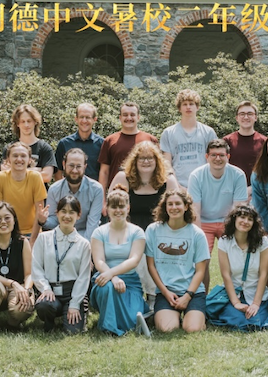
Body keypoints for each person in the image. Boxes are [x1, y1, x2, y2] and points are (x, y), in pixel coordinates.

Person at [109, 141, 179, 310]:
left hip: (160, 234)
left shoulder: (168, 180)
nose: (146, 161)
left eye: (150, 158)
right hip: (128, 232)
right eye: (141, 158)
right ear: (134, 160)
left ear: (157, 160)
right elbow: (112, 207)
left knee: (152, 251)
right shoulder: (123, 178)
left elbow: (178, 209)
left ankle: (155, 297)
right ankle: (133, 297)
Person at [210, 206, 268, 331]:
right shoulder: (225, 241)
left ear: (254, 223)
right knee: (238, 321)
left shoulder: (262, 241)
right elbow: (226, 275)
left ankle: (265, 313)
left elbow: (263, 274)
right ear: (234, 219)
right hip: (234, 294)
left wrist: (256, 304)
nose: (245, 222)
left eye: (250, 219)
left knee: (255, 320)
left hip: (255, 293)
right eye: (242, 217)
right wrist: (236, 303)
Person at [145, 190, 210, 333]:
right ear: (165, 207)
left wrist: (187, 296)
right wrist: (165, 292)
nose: (174, 207)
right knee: (167, 328)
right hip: (167, 291)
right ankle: (174, 316)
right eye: (170, 204)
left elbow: (200, 270)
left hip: (192, 292)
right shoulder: (153, 230)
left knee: (192, 329)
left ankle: (196, 318)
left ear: (186, 206)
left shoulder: (197, 234)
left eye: (178, 204)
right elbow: (151, 266)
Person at [90, 189, 150, 336]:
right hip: (104, 278)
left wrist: (112, 272)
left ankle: (129, 316)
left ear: (128, 208)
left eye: (121, 206)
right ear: (107, 209)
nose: (118, 210)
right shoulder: (99, 232)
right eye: (114, 207)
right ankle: (108, 328)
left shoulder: (137, 232)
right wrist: (112, 277)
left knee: (130, 322)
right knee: (107, 287)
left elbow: (134, 260)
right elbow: (98, 261)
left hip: (130, 281)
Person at [33, 196, 93, 333]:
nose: (67, 216)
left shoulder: (84, 244)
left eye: (72, 212)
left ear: (78, 215)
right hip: (50, 290)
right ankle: (49, 322)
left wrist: (74, 304)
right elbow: (36, 267)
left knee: (73, 331)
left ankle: (77, 311)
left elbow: (83, 277)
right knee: (44, 305)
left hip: (72, 292)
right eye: (63, 211)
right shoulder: (43, 238)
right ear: (57, 213)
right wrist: (45, 288)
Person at [0, 203, 35, 333]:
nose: (3, 222)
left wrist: (26, 290)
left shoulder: (22, 242)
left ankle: (12, 323)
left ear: (14, 220)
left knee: (22, 310)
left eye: (7, 218)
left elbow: (29, 273)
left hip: (18, 289)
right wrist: (13, 283)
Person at [189, 139, 248, 253]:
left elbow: (238, 209)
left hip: (228, 222)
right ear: (207, 156)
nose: (217, 159)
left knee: (234, 256)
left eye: (221, 155)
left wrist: (233, 232)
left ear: (228, 157)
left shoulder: (238, 175)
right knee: (201, 257)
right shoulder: (196, 176)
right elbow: (195, 211)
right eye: (213, 155)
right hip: (204, 222)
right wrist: (199, 237)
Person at [0, 142, 47, 244]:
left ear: (30, 160)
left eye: (23, 156)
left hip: (32, 232)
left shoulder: (36, 177)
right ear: (8, 159)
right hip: (7, 230)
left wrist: (32, 241)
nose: (19, 159)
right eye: (15, 156)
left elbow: (40, 212)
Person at [160, 89, 218, 188]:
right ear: (179, 108)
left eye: (191, 104)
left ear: (197, 107)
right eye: (184, 104)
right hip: (177, 187)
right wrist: (177, 186)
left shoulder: (208, 132)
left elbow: (214, 161)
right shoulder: (168, 133)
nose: (188, 107)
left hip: (204, 185)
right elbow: (166, 165)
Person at [41, 148, 103, 240]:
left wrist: (81, 247)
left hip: (85, 238)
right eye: (71, 165)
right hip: (61, 237)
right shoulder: (54, 189)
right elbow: (54, 221)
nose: (74, 170)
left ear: (85, 167)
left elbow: (92, 224)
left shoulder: (96, 189)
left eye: (78, 166)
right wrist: (43, 220)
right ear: (64, 165)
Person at [98, 102, 158, 195]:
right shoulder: (109, 140)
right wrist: (103, 200)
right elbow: (104, 172)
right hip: (117, 196)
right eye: (125, 115)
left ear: (138, 117)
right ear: (120, 118)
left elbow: (159, 169)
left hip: (146, 194)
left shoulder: (150, 140)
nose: (129, 118)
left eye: (132, 115)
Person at [222, 100, 266, 190]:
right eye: (242, 114)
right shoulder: (227, 141)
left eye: (250, 114)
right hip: (232, 190)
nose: (246, 117)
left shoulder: (264, 141)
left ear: (255, 117)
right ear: (237, 118)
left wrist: (251, 189)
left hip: (258, 191)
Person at [55, 102, 104, 181]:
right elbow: (58, 171)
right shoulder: (64, 143)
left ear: (94, 119)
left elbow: (104, 172)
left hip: (93, 192)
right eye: (81, 117)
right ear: (76, 119)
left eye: (88, 117)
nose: (84, 121)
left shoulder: (102, 144)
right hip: (69, 192)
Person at [8, 104, 56, 183]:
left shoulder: (45, 148)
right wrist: (36, 170)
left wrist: (17, 172)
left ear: (35, 122)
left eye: (29, 121)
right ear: (17, 124)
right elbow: (5, 174)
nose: (26, 125)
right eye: (23, 121)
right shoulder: (9, 148)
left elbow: (47, 177)